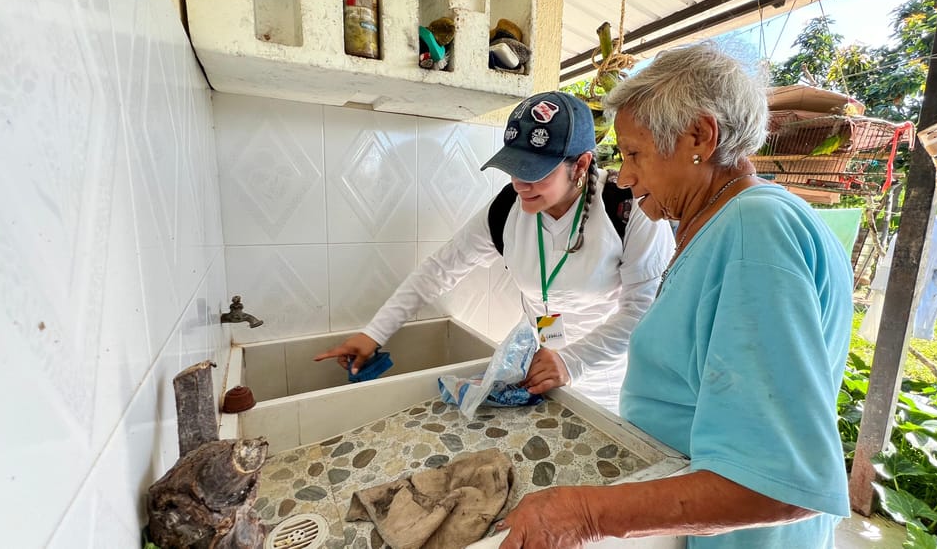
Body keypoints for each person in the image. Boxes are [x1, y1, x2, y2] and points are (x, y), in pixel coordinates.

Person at [495, 43, 853, 548]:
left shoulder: (756, 230)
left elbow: (782, 483)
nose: (625, 176)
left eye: (636, 153)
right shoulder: (726, 223)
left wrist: (584, 514)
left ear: (700, 137)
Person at [315, 90, 674, 414]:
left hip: (610, 379)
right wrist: (374, 333)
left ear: (580, 165)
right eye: (514, 169)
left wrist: (572, 362)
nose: (520, 184)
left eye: (536, 172)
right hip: (540, 368)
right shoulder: (508, 209)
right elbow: (439, 270)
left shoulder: (629, 209)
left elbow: (644, 311)